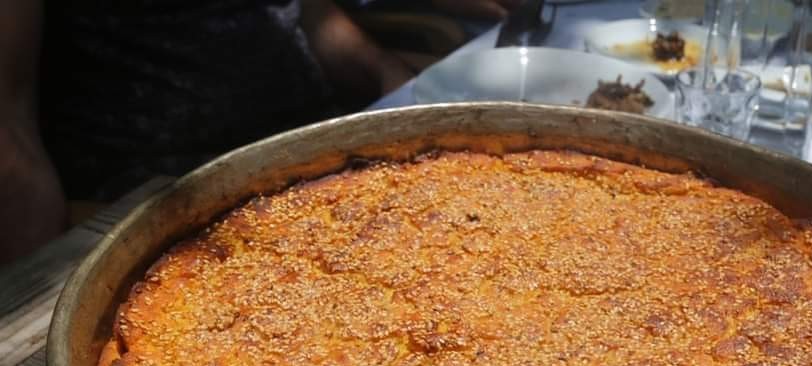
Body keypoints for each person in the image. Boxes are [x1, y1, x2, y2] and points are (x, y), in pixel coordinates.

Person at [0, 0, 521, 264]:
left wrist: (383, 72)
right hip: (163, 197)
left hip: (321, 154)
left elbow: (311, 18)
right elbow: (9, 123)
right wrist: (31, 293)